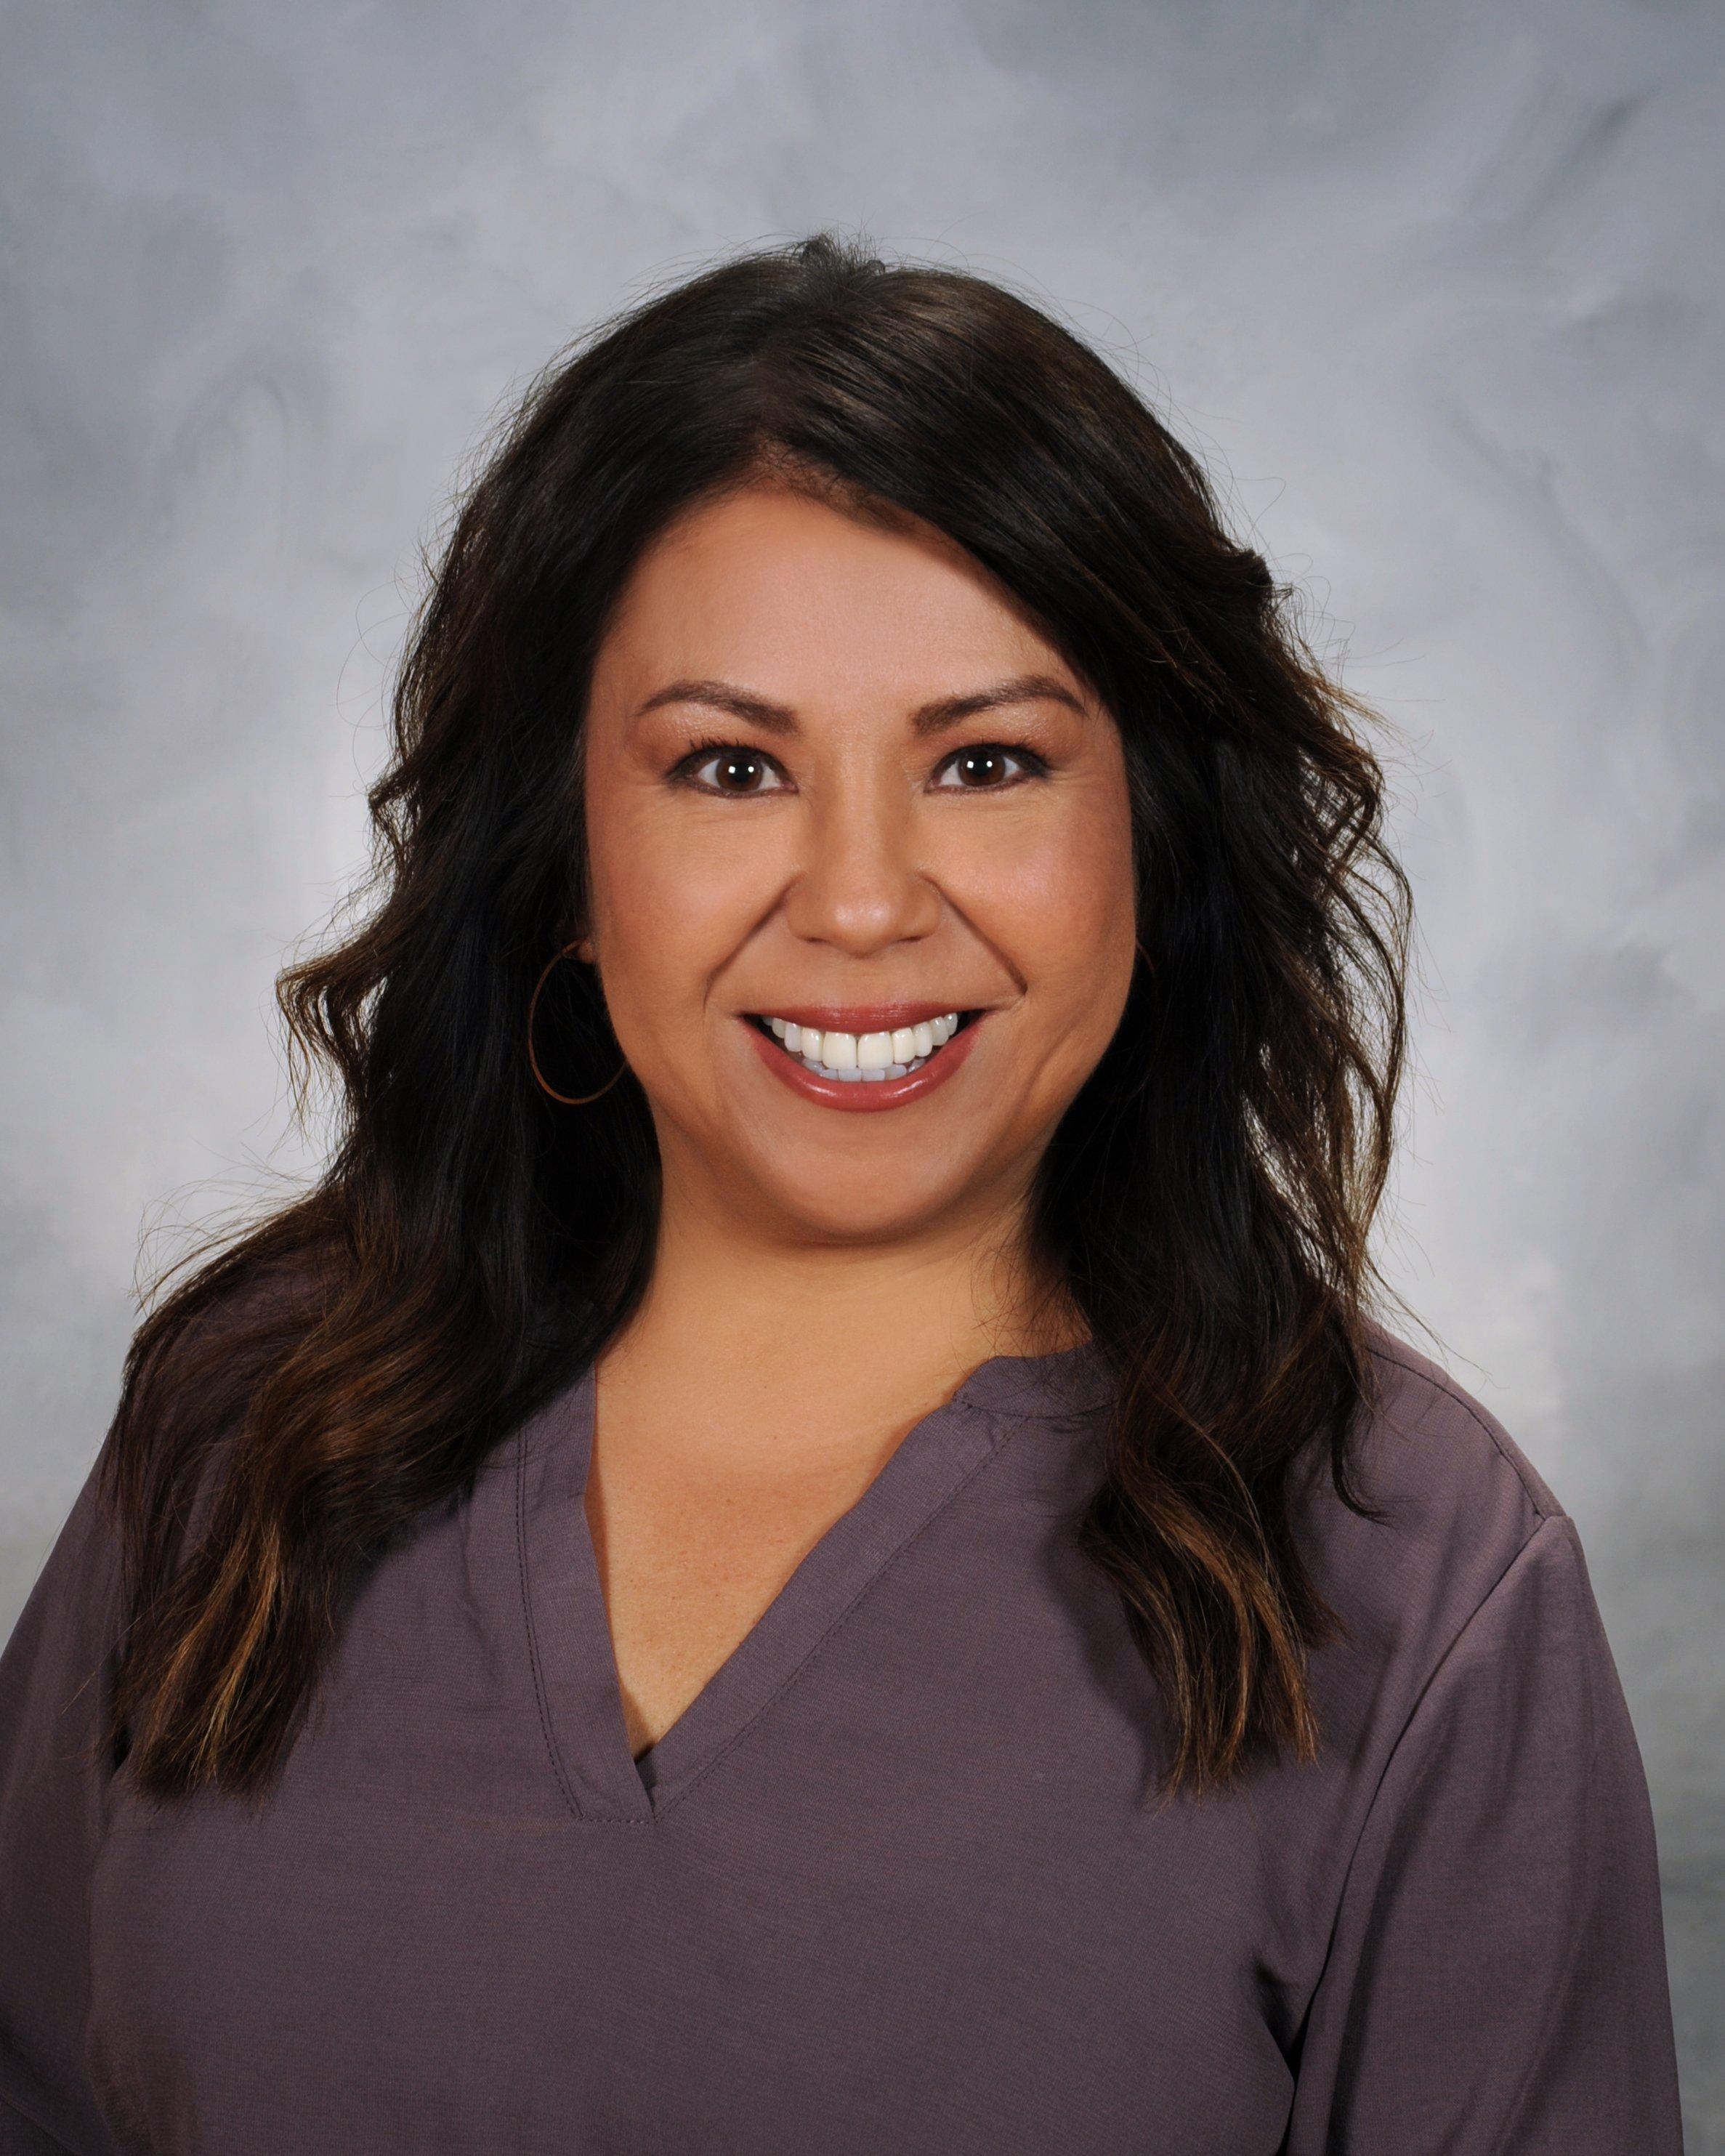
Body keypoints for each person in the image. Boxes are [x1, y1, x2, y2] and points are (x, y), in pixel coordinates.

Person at [0, 231, 1683, 2155]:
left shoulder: (1421, 1575)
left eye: (984, 762)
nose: (867, 899)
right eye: (729, 767)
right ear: (562, 849)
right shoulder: (241, 1425)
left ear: (1155, 829)